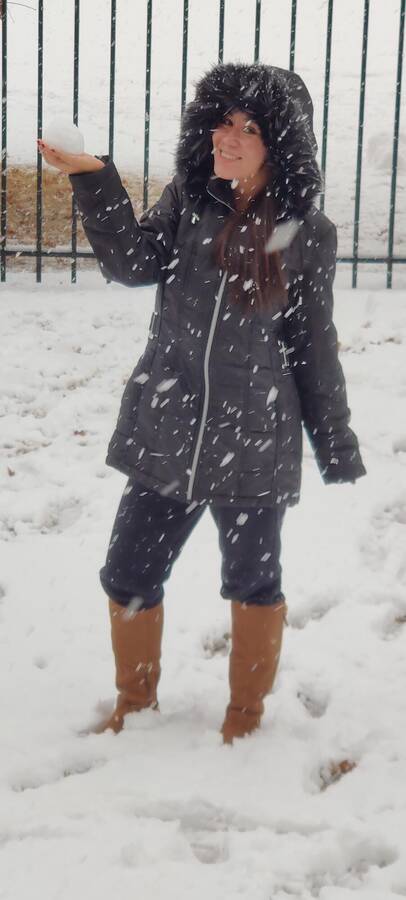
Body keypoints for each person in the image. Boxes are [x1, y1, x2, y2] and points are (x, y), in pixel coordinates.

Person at [37, 62, 366, 744]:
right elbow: (131, 264)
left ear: (280, 145)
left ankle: (244, 717)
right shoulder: (189, 201)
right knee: (128, 573)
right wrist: (93, 178)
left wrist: (334, 441)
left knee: (253, 583)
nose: (229, 138)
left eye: (250, 128)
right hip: (169, 428)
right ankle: (134, 703)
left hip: (254, 442)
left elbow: (312, 347)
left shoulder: (307, 234)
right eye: (222, 121)